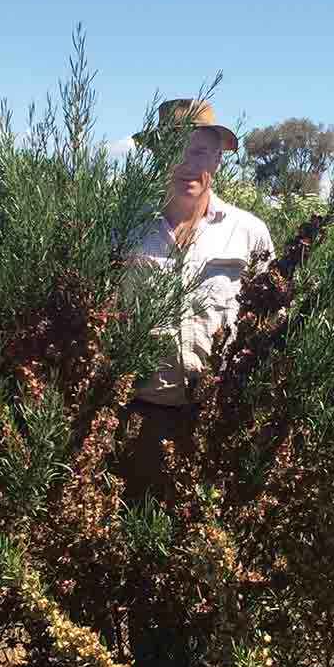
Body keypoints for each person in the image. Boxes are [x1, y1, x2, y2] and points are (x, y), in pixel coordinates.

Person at [123, 98, 274, 499]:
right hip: (138, 418)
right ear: (156, 157)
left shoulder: (249, 233)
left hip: (216, 418)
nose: (189, 164)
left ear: (219, 159)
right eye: (176, 151)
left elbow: (270, 320)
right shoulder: (124, 230)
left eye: (201, 151)